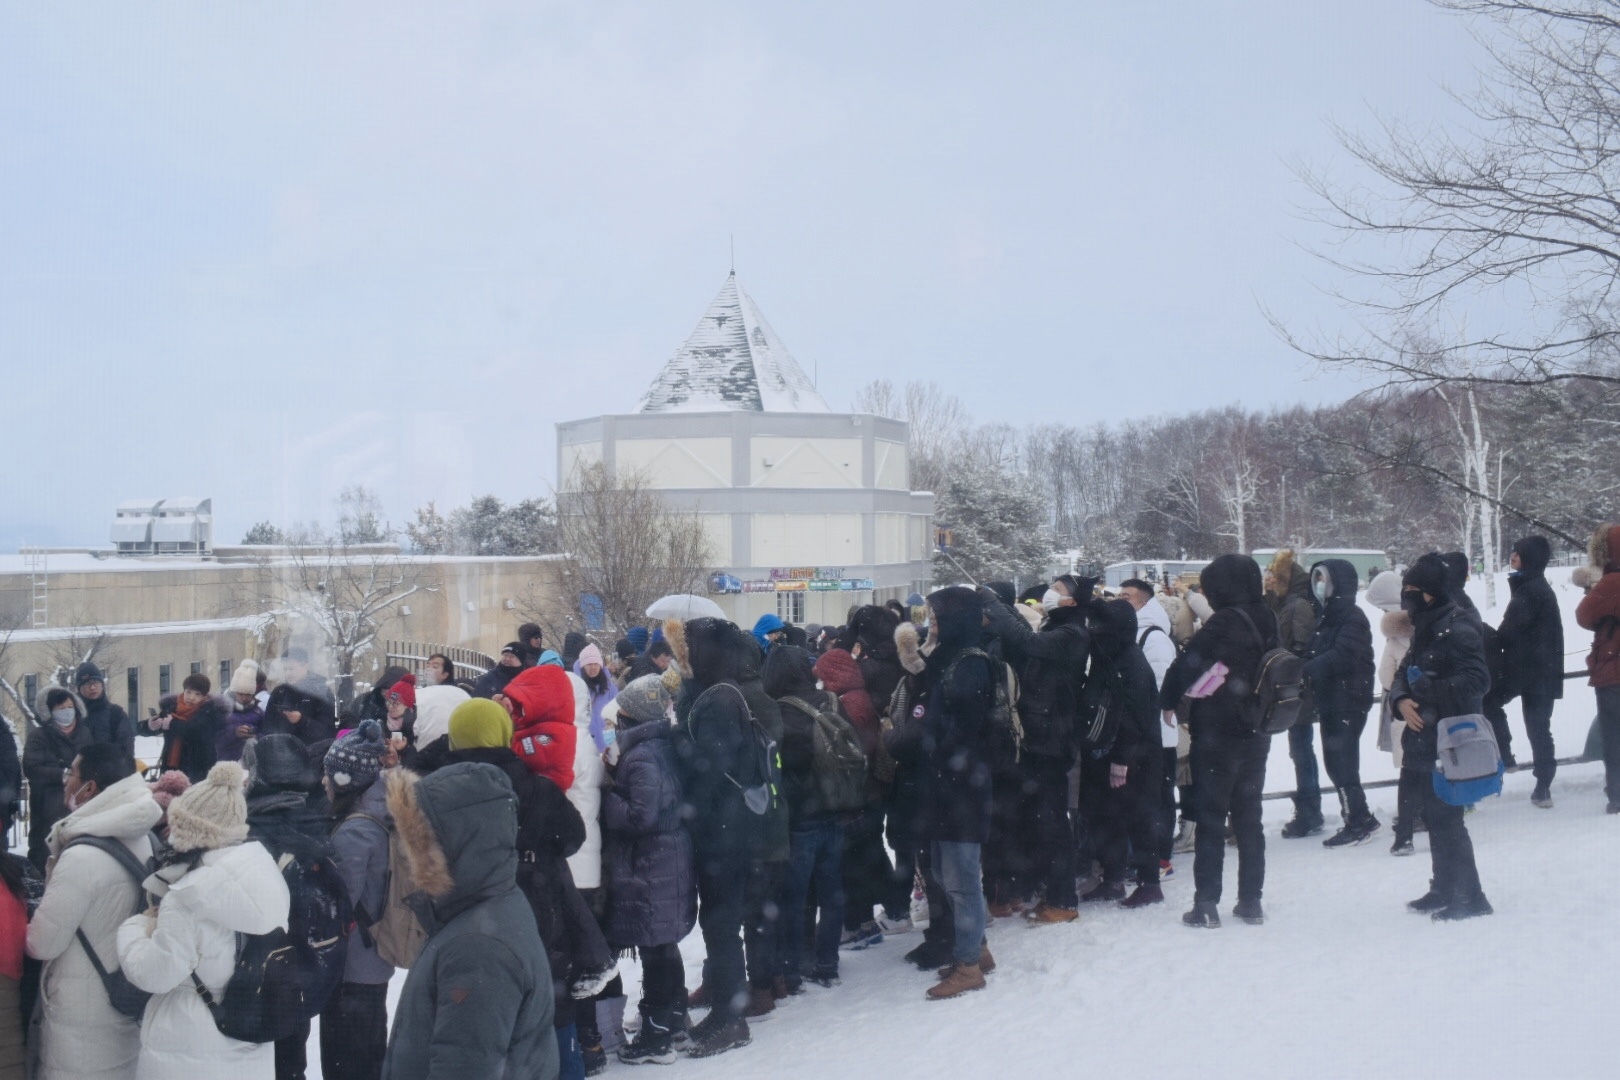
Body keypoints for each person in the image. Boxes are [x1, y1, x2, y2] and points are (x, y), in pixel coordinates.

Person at [429, 698, 589, 1080]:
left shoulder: (433, 794)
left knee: (474, 1027)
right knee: (549, 1007)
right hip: (534, 912)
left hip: (459, 922)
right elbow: (572, 837)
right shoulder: (536, 786)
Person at [381, 761, 557, 1080]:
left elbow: (465, 1065)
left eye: (420, 843)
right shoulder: (486, 906)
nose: (409, 856)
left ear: (457, 845)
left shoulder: (477, 948)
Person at [116, 761, 292, 1079]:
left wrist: (133, 930)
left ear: (188, 829)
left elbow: (155, 974)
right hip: (246, 1034)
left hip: (187, 1042)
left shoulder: (186, 897)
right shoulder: (265, 878)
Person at [1159, 554, 1277, 929]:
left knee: (1211, 817)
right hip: (1256, 727)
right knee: (1249, 817)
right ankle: (1251, 901)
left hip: (1218, 730)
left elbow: (1188, 662)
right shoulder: (1266, 614)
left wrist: (1166, 701)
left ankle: (1206, 904)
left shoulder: (1224, 620)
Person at [28, 743, 159, 1080]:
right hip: (124, 999)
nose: (66, 780)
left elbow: (43, 944)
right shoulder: (144, 837)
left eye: (72, 773)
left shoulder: (81, 856)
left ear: (90, 788)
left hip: (79, 1016)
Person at [665, 617, 760, 1056]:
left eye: (688, 647)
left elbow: (709, 769)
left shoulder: (720, 700)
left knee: (723, 925)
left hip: (725, 830)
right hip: (719, 827)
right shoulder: (711, 691)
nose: (682, 655)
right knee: (718, 923)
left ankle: (731, 1017)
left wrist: (673, 740)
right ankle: (725, 1009)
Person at [978, 575, 1093, 923]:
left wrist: (994, 606)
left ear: (1073, 602)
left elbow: (1029, 644)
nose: (1050, 593)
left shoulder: (1072, 633)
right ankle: (1046, 890)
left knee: (1053, 823)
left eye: (1059, 590)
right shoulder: (1054, 626)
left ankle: (1062, 900)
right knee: (1040, 821)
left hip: (1052, 741)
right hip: (1040, 738)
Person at [1390, 553, 1494, 920]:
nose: (1406, 596)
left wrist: (1431, 690)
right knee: (1435, 816)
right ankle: (1443, 887)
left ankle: (1471, 895)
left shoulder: (1458, 624)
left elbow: (1478, 681)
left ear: (1430, 591)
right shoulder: (1427, 623)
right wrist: (1401, 699)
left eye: (1411, 589)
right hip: (1425, 735)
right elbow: (1404, 671)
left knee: (1449, 818)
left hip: (1450, 738)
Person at [601, 677, 697, 1066]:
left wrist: (608, 795)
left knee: (655, 947)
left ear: (631, 716)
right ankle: (673, 1020)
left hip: (652, 860)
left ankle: (656, 1037)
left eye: (620, 714)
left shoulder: (640, 756)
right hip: (669, 856)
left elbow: (641, 815)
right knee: (664, 943)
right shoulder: (662, 745)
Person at [242, 735, 340, 1080]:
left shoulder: (254, 822)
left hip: (256, 969)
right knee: (290, 1054)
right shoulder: (315, 811)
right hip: (302, 968)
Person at [918, 586, 996, 999]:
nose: (932, 624)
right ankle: (977, 949)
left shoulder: (970, 663)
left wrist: (927, 741)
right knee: (946, 874)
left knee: (963, 879)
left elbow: (962, 729)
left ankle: (969, 967)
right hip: (948, 786)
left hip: (963, 787)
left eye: (937, 617)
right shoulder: (951, 657)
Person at [763, 647, 846, 991]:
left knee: (793, 897)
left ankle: (793, 969)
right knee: (831, 892)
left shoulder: (780, 712)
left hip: (800, 818)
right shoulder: (830, 700)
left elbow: (781, 767)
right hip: (837, 809)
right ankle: (827, 962)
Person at [321, 722, 394, 1080]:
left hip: (352, 965)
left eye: (328, 775)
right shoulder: (379, 810)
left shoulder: (354, 831)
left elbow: (339, 900)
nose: (324, 783)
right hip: (372, 960)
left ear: (345, 780)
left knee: (348, 1063)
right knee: (369, 1055)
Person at [1303, 560, 1379, 847]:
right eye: (1316, 579)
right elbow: (1317, 650)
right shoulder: (1326, 616)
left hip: (1348, 700)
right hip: (1332, 699)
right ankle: (1357, 816)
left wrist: (1307, 669)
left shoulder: (1352, 616)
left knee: (1343, 763)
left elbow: (1343, 654)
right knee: (1336, 763)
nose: (1319, 585)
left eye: (1324, 579)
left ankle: (1358, 821)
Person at [1496, 535, 1565, 807]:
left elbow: (1509, 630)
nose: (1512, 556)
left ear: (1531, 558)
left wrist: (1482, 637)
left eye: (1518, 553)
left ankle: (1506, 757)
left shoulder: (1530, 590)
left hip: (1526, 670)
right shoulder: (1534, 586)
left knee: (1489, 702)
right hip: (1542, 670)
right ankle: (1542, 784)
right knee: (1539, 728)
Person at [1120, 579, 1181, 872]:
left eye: (1127, 596)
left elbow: (1160, 686)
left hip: (1158, 733)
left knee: (1158, 797)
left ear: (1144, 602)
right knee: (1144, 798)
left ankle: (1161, 857)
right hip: (1141, 731)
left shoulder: (1153, 637)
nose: (1120, 600)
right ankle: (1145, 855)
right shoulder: (1132, 631)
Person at [1267, 551, 1326, 840]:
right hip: (1292, 690)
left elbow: (1301, 651)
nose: (1269, 580)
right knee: (1300, 752)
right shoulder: (1284, 603)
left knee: (1302, 752)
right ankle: (1309, 809)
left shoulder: (1298, 606)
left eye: (1274, 577)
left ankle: (1310, 810)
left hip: (1298, 692)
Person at [23, 689, 94, 870]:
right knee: (46, 858)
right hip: (47, 808)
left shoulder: (85, 733)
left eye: (70, 707)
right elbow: (31, 768)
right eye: (61, 708)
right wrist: (62, 774)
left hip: (80, 805)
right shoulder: (39, 736)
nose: (67, 711)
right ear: (50, 712)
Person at [1576, 523, 1620, 814]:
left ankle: (1617, 793)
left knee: (1614, 734)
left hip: (1613, 670)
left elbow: (1584, 615)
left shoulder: (1612, 582)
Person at [140, 673, 226, 783]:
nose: (191, 697)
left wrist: (171, 724)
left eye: (197, 694)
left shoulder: (210, 712)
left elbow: (195, 730)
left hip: (198, 772)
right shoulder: (172, 708)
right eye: (188, 692)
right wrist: (150, 725)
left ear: (204, 696)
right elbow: (142, 729)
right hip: (170, 770)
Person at [74, 663, 135, 756]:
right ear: (79, 689)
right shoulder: (72, 715)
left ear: (102, 685)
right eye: (86, 683)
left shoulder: (116, 714)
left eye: (96, 682)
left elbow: (126, 753)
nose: (92, 687)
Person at [216, 661, 265, 764]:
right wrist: (234, 732)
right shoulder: (222, 711)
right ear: (234, 692)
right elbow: (215, 738)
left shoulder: (258, 712)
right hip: (227, 762)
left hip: (251, 763)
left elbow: (267, 733)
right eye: (241, 694)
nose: (244, 698)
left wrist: (256, 735)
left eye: (248, 695)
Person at [575, 645, 619, 754]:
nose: (593, 667)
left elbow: (617, 714)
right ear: (583, 666)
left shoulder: (610, 688)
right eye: (589, 664)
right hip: (583, 746)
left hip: (607, 744)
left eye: (596, 664)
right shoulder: (575, 687)